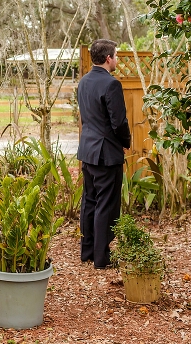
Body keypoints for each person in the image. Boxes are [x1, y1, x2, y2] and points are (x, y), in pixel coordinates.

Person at [77, 39, 131, 269]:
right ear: (108, 58)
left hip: (87, 150)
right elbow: (118, 122)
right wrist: (126, 142)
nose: (117, 60)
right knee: (105, 204)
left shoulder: (83, 82)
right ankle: (101, 257)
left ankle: (87, 252)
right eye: (116, 56)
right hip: (106, 153)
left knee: (89, 201)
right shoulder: (111, 84)